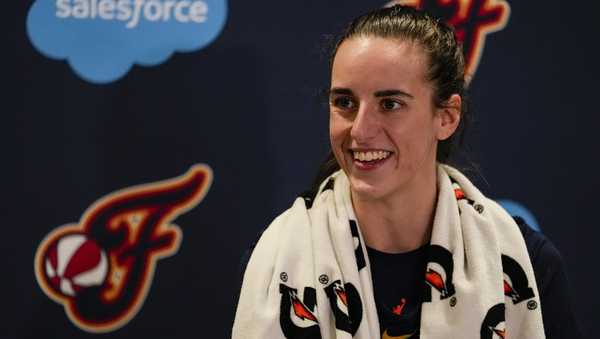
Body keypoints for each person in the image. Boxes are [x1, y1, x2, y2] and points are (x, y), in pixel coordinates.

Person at [232, 5, 581, 339]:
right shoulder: (274, 261)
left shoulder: (526, 263)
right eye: (345, 103)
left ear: (446, 116)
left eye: (390, 104)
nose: (360, 130)